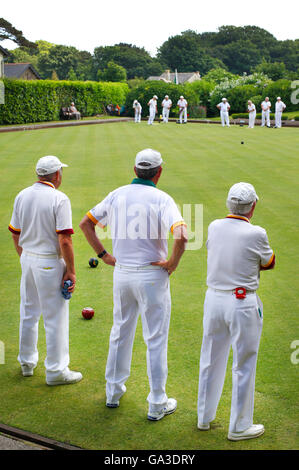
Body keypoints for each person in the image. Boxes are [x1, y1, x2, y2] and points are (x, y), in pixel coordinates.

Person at [79, 148, 188, 420]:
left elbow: (85, 224)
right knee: (155, 339)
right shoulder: (162, 198)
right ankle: (157, 403)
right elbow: (182, 235)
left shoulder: (117, 194)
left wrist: (104, 255)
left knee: (120, 332)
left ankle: (113, 393)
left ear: (135, 170)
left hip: (122, 273)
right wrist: (172, 263)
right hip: (152, 275)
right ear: (159, 172)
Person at [197, 182, 275, 441]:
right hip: (242, 303)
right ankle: (240, 426)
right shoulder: (257, 233)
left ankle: (204, 418)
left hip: (214, 300)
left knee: (210, 358)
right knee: (243, 364)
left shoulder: (214, 226)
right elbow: (269, 262)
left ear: (229, 204)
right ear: (252, 206)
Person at [8, 156, 82, 386]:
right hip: (50, 262)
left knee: (28, 312)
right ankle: (57, 371)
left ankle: (27, 363)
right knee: (55, 317)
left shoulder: (22, 194)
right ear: (57, 175)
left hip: (28, 259)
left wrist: (25, 257)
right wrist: (71, 271)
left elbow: (15, 232)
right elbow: (65, 240)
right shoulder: (60, 199)